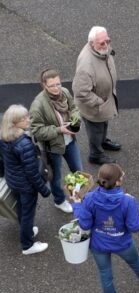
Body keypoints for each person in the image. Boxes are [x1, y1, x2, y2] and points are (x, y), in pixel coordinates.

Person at [72, 163, 139, 293]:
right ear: (118, 182)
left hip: (99, 244)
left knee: (105, 275)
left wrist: (77, 204)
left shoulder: (90, 198)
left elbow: (85, 224)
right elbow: (135, 227)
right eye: (122, 175)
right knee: (136, 264)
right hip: (122, 243)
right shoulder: (128, 201)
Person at [0, 105, 51, 255]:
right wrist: (44, 189)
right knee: (28, 212)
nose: (28, 120)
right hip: (26, 186)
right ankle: (27, 245)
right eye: (23, 119)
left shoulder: (4, 137)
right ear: (14, 123)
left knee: (22, 209)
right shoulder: (24, 143)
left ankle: (26, 231)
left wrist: (4, 174)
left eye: (27, 116)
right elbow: (32, 172)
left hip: (13, 181)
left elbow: (2, 160)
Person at [30, 69, 83, 214]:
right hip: (52, 148)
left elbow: (74, 108)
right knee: (56, 178)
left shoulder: (64, 92)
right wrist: (59, 130)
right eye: (52, 85)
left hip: (70, 141)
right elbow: (36, 131)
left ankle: (77, 195)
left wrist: (75, 119)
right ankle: (59, 201)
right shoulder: (38, 105)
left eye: (58, 84)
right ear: (44, 86)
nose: (56, 88)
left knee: (78, 171)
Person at [72, 26, 120, 165]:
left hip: (104, 101)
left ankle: (103, 142)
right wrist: (99, 101)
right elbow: (80, 92)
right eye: (102, 43)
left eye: (107, 40)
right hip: (94, 106)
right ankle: (96, 154)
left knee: (103, 124)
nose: (106, 45)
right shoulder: (86, 65)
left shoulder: (101, 50)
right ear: (92, 43)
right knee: (95, 130)